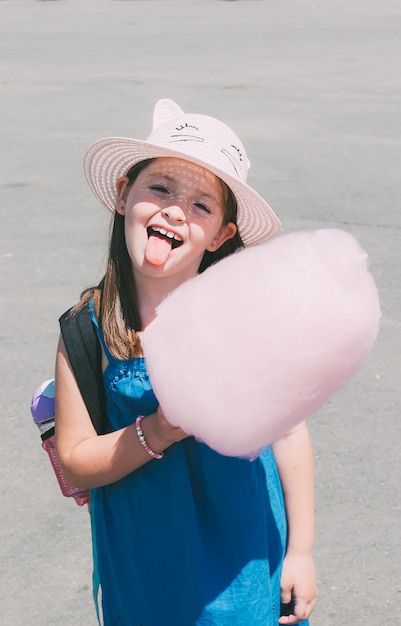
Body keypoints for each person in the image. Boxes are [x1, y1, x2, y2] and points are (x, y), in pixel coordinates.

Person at [55, 99, 316, 626]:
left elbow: (288, 434)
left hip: (244, 567)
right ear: (125, 193)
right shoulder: (87, 328)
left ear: (220, 235)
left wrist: (302, 552)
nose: (176, 210)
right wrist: (157, 430)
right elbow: (77, 458)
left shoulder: (242, 320)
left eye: (202, 206)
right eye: (161, 188)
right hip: (144, 570)